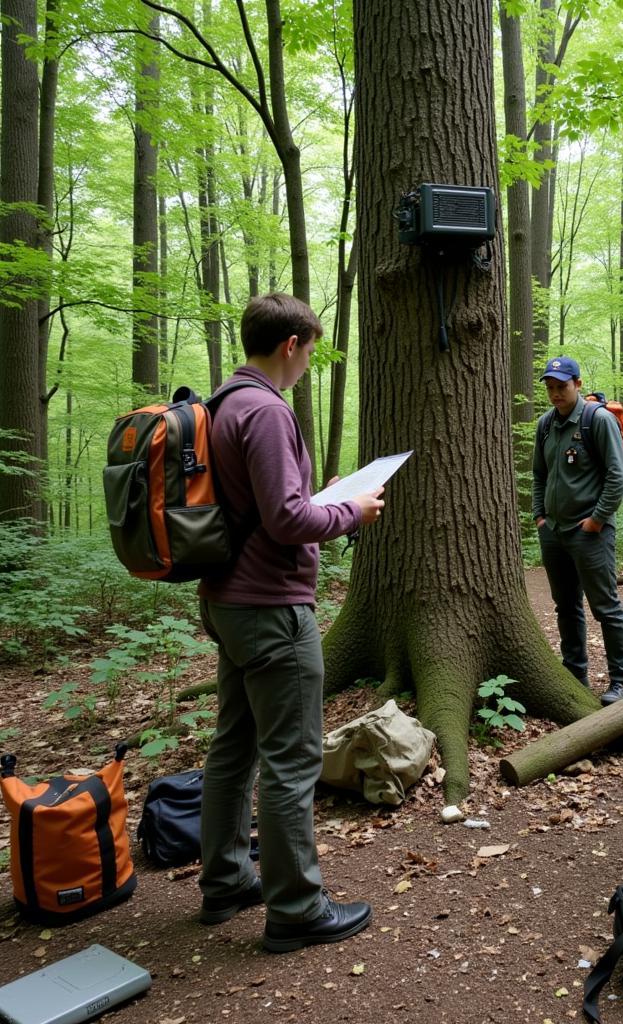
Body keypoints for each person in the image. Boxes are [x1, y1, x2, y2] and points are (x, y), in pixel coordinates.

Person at [196, 293, 385, 952]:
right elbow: (284, 521)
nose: (308, 362)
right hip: (271, 608)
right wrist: (352, 511)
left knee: (234, 745)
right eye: (309, 349)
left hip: (227, 602)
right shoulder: (268, 412)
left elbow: (266, 502)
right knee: (291, 759)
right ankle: (297, 908)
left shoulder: (222, 404)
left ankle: (223, 879)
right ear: (291, 345)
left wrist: (320, 496)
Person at [532, 356, 623, 705]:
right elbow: (540, 475)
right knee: (567, 606)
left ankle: (621, 682)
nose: (556, 393)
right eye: (550, 387)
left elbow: (616, 476)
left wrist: (597, 519)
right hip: (554, 532)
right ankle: (575, 674)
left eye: (562, 386)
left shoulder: (598, 420)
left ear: (577, 383)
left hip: (590, 532)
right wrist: (539, 518)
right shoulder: (546, 425)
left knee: (605, 607)